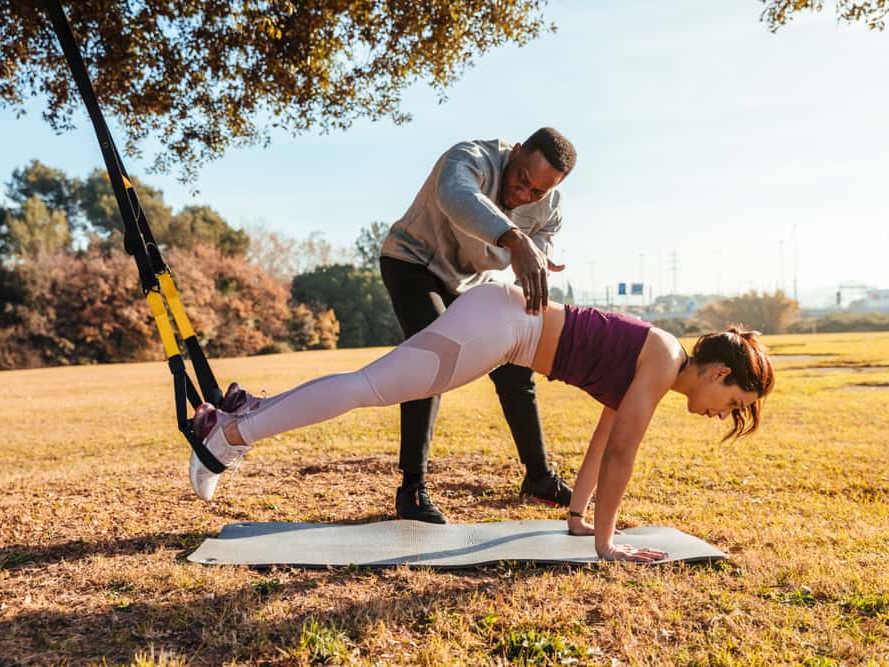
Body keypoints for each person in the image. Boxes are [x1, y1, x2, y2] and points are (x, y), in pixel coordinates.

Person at [189, 283, 774, 561]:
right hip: (501, 327)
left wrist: (578, 518)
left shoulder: (657, 366)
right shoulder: (664, 358)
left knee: (369, 386)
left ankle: (244, 417)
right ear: (718, 372)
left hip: (501, 328)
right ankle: (233, 431)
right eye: (734, 401)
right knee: (369, 388)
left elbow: (603, 443)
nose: (724, 413)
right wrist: (607, 544)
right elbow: (623, 455)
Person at [378, 127, 578, 524]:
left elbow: (546, 242)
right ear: (516, 152)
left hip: (469, 281)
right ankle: (412, 489)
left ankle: (538, 478)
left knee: (515, 365)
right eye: (521, 180)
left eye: (535, 192)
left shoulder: (549, 204)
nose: (523, 195)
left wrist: (539, 262)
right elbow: (456, 197)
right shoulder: (470, 157)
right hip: (413, 262)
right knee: (428, 360)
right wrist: (516, 239)